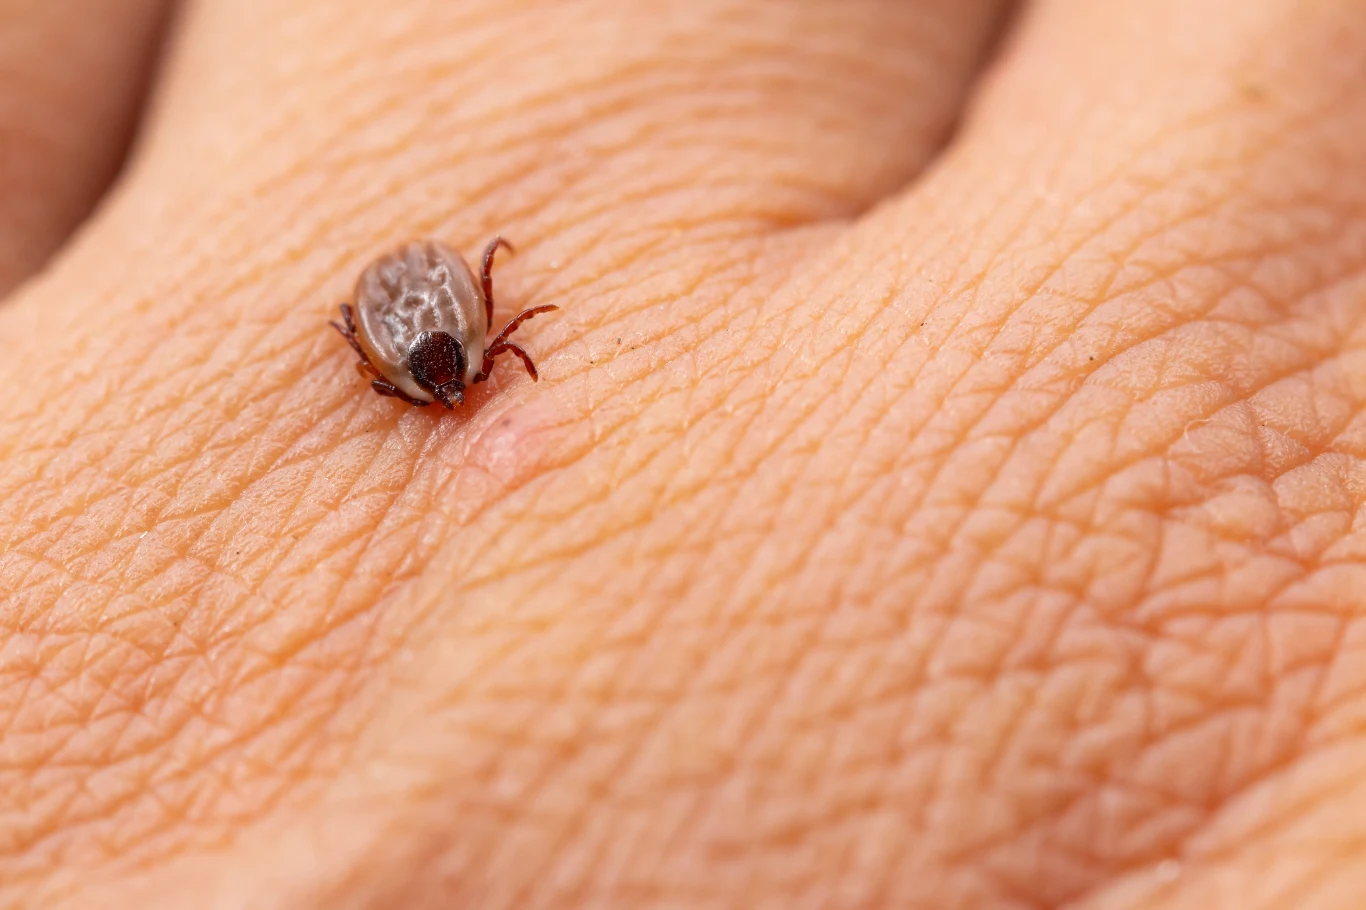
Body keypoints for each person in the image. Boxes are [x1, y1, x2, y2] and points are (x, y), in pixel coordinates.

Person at [2, 1, 1363, 907]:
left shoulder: (434, 346)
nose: (462, 384)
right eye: (445, 375)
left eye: (460, 369)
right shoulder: (454, 336)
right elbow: (404, 315)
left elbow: (376, 319)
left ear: (470, 348)